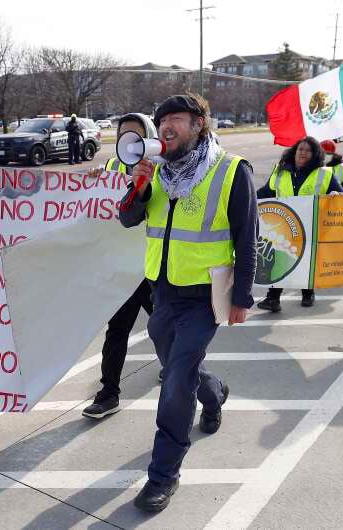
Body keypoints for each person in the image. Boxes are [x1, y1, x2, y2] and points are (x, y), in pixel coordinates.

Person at [118, 94, 257, 512]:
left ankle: (163, 474)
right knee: (180, 369)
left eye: (175, 120)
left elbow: (247, 239)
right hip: (163, 293)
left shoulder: (231, 171)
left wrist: (243, 296)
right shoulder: (157, 172)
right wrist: (139, 187)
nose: (165, 128)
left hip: (203, 295)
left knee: (176, 382)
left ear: (199, 123)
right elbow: (126, 218)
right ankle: (213, 392)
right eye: (161, 122)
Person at [82, 113, 161, 419]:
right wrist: (91, 181)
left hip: (152, 268)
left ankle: (177, 369)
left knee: (164, 330)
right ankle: (108, 393)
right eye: (123, 134)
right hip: (122, 269)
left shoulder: (163, 169)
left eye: (136, 134)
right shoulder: (112, 168)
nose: (129, 140)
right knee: (117, 331)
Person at [256, 136, 343, 312]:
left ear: (314, 155)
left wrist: (336, 194)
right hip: (284, 224)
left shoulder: (324, 174)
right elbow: (266, 191)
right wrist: (249, 197)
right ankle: (273, 298)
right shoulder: (280, 171)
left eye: (308, 150)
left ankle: (308, 294)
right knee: (280, 260)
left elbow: (342, 195)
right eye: (300, 149)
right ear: (294, 152)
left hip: (310, 225)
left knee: (306, 259)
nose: (303, 153)